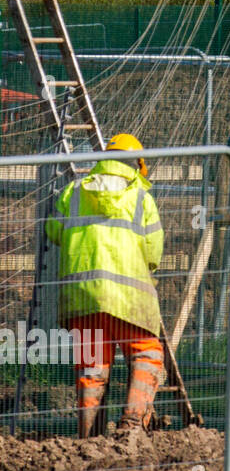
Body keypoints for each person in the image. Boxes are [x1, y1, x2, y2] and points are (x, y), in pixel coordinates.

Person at [44, 133, 165, 437]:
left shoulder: (73, 192)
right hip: (129, 298)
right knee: (146, 353)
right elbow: (153, 253)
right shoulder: (140, 197)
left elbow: (54, 233)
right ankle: (133, 424)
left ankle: (89, 437)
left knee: (92, 366)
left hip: (82, 297)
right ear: (137, 165)